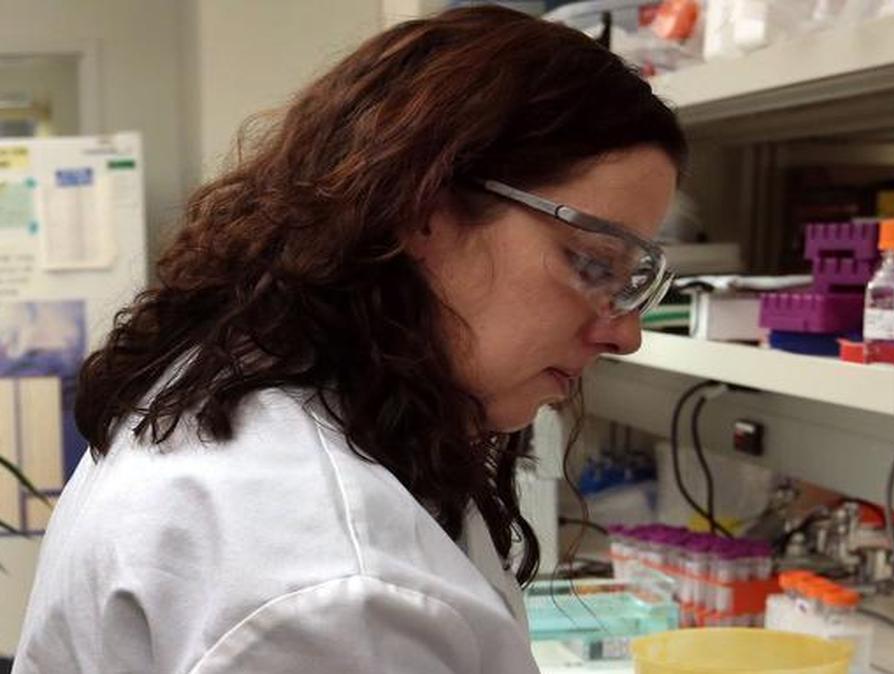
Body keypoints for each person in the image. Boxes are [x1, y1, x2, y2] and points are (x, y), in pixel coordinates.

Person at [13, 6, 685, 673]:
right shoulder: (332, 590)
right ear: (421, 209)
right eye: (594, 263)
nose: (624, 334)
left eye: (634, 283)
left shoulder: (253, 379)